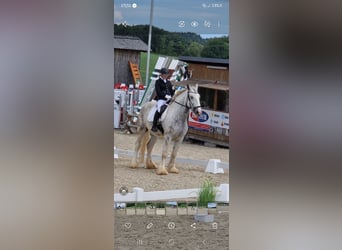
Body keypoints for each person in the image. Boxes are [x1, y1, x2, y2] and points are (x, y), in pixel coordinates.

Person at [151, 68, 175, 132]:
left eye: (167, 74)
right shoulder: (158, 81)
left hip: (169, 99)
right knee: (159, 110)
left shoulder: (168, 82)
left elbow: (171, 92)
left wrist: (174, 91)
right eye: (165, 74)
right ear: (161, 74)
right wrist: (165, 96)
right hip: (161, 99)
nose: (166, 75)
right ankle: (154, 125)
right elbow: (158, 92)